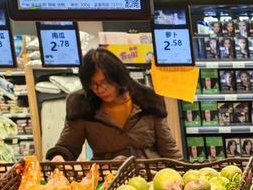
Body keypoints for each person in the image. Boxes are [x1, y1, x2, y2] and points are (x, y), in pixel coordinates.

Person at [46, 48, 181, 161]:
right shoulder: (81, 105)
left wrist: (183, 172)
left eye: (105, 82)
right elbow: (68, 146)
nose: (99, 89)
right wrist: (59, 156)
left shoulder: (148, 99)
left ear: (119, 77)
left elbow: (168, 148)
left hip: (150, 174)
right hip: (107, 177)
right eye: (93, 84)